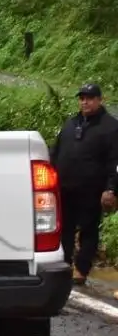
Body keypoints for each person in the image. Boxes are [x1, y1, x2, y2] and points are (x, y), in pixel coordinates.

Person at [50, 82, 118, 285]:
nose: (85, 102)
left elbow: (116, 161)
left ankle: (81, 269)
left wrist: (112, 188)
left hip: (92, 190)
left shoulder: (111, 127)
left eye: (89, 98)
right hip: (65, 188)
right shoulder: (71, 124)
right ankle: (64, 263)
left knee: (88, 230)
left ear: (100, 100)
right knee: (64, 229)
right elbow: (56, 152)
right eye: (82, 98)